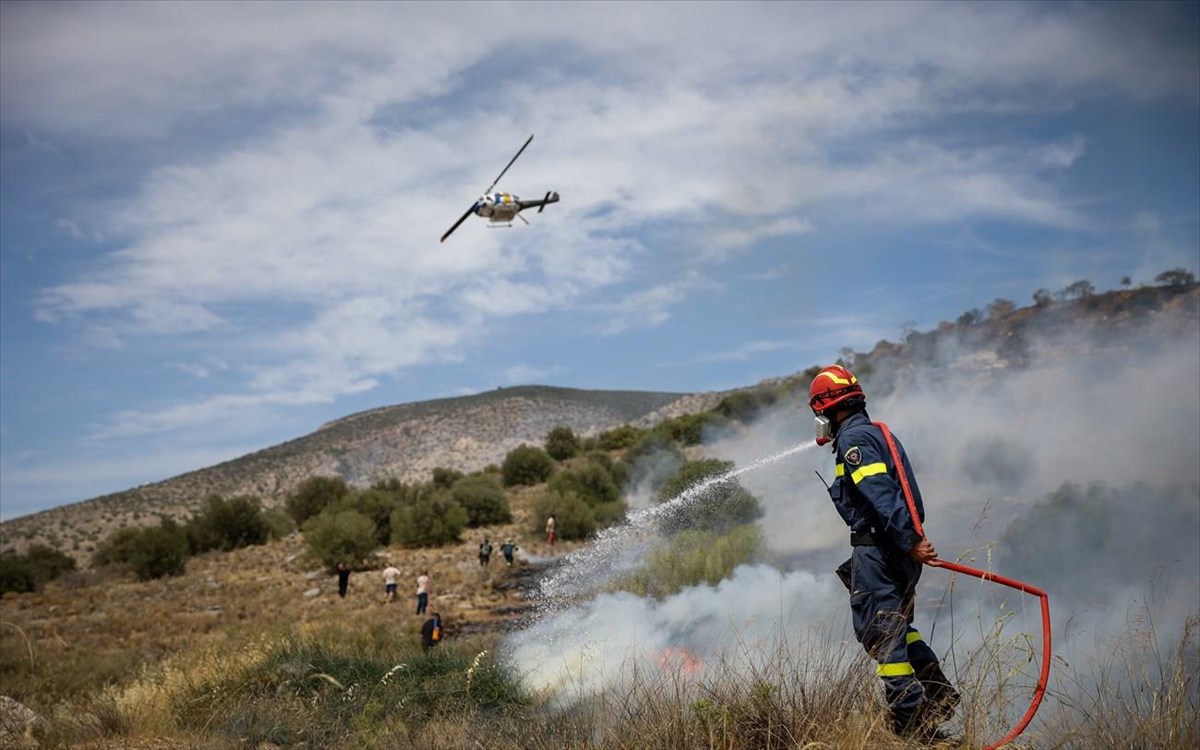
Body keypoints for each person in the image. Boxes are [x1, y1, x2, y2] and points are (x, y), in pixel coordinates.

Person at [809, 364, 960, 740]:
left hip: (881, 550)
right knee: (898, 628)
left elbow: (880, 492)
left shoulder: (854, 441)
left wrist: (909, 541)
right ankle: (938, 695)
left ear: (827, 407)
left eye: (818, 411)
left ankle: (911, 724)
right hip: (895, 551)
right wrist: (909, 543)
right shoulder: (873, 432)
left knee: (882, 634)